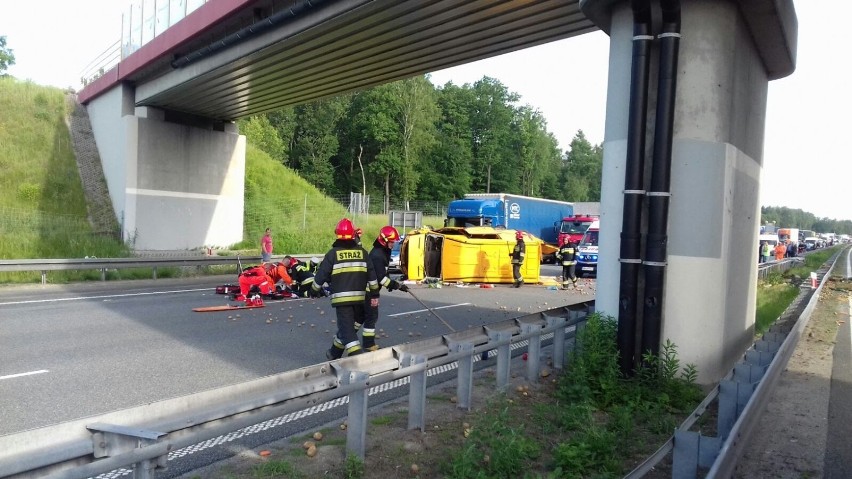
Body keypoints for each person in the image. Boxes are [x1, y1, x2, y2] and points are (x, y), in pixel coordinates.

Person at [312, 218, 380, 359]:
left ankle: (357, 357)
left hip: (342, 300)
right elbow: (372, 277)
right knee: (347, 327)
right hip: (360, 298)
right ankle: (334, 353)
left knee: (347, 329)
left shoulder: (333, 254)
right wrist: (374, 295)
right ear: (353, 235)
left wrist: (313, 290)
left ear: (337, 235)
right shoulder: (363, 253)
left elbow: (321, 275)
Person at [362, 226, 409, 351]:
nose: (393, 244)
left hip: (368, 290)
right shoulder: (378, 255)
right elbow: (380, 278)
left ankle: (345, 336)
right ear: (384, 240)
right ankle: (368, 344)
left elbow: (382, 272)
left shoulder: (381, 251)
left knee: (360, 317)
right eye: (392, 242)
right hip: (370, 291)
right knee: (372, 316)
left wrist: (388, 282)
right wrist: (397, 285)